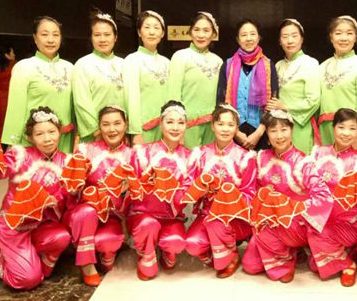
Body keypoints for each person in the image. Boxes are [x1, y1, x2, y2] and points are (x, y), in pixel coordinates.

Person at [0, 107, 71, 290]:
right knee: (28, 280)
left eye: (52, 132)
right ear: (30, 137)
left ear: (60, 132)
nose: (47, 138)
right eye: (40, 134)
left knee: (62, 237)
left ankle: (31, 259)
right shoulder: (20, 156)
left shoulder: (66, 161)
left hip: (43, 224)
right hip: (15, 226)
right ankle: (1, 258)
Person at [242, 110, 333, 283]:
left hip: (295, 223)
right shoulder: (261, 158)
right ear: (267, 134)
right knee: (250, 265)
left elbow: (323, 195)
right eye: (273, 130)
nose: (279, 136)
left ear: (292, 130)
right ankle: (290, 250)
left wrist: (294, 209)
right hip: (268, 222)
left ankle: (286, 260)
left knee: (268, 229)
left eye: (284, 129)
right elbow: (253, 191)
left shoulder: (303, 162)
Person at [62, 105, 135, 286]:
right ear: (99, 127)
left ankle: (106, 254)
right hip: (84, 213)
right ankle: (87, 264)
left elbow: (136, 200)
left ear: (126, 125)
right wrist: (77, 186)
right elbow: (70, 191)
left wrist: (126, 191)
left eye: (117, 123)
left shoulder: (132, 156)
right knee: (86, 212)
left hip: (112, 216)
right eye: (106, 124)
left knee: (109, 243)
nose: (112, 129)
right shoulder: (85, 151)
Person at [184, 104, 256, 278]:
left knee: (217, 225)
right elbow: (189, 187)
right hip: (207, 215)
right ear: (212, 125)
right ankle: (219, 251)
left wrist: (228, 196)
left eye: (230, 125)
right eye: (220, 124)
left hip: (235, 218)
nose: (225, 129)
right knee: (192, 245)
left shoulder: (245, 157)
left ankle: (230, 255)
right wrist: (203, 190)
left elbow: (250, 194)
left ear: (236, 128)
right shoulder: (201, 154)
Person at [307, 108, 357, 287]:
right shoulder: (318, 153)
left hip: (349, 221)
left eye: (352, 128)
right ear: (333, 128)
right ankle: (344, 252)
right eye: (341, 127)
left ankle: (347, 264)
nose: (346, 133)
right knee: (314, 263)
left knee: (316, 236)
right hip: (321, 216)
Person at [128, 100, 191, 280]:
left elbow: (189, 191)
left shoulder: (189, 157)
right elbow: (132, 188)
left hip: (172, 217)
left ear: (186, 125)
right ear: (161, 124)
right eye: (170, 122)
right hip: (144, 216)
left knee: (175, 244)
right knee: (149, 225)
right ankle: (146, 252)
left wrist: (175, 191)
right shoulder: (143, 153)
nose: (175, 127)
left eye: (180, 122)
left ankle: (166, 251)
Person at [2, 16, 75, 153]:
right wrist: (14, 142)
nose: (50, 40)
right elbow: (15, 109)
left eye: (55, 35)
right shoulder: (23, 67)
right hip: (34, 140)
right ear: (35, 38)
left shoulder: (70, 68)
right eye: (44, 34)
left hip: (64, 139)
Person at [216, 19, 279, 150]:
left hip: (262, 133)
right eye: (244, 35)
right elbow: (221, 103)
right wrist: (236, 133)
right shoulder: (227, 65)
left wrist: (259, 133)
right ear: (238, 40)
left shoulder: (269, 65)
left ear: (259, 37)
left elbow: (273, 104)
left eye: (252, 34)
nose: (249, 38)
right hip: (232, 133)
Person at [318, 15, 357, 152]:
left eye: (349, 33)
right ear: (331, 37)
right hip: (326, 128)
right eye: (338, 33)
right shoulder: (323, 66)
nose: (343, 38)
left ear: (355, 38)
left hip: (349, 130)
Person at [168, 12, 223, 148]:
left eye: (206, 30)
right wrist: (177, 125)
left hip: (212, 124)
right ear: (190, 32)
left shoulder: (218, 61)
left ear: (213, 34)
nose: (201, 35)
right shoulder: (180, 56)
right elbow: (173, 94)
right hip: (187, 123)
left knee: (209, 159)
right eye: (196, 30)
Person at [267, 19, 320, 154]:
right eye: (285, 37)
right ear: (280, 41)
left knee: (299, 161)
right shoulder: (278, 65)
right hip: (279, 127)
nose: (289, 41)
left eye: (294, 36)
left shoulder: (310, 63)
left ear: (302, 39)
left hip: (300, 124)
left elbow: (314, 100)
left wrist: (285, 107)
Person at [72, 10, 125, 143]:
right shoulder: (83, 64)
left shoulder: (124, 64)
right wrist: (97, 131)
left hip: (121, 134)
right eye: (97, 35)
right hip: (95, 135)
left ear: (115, 37)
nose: (102, 39)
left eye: (107, 34)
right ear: (91, 38)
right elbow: (81, 103)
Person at [123, 10, 170, 145]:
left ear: (162, 33)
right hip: (144, 128)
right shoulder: (132, 60)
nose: (151, 32)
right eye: (147, 27)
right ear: (139, 32)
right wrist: (136, 131)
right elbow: (131, 98)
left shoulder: (167, 62)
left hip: (166, 127)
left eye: (156, 28)